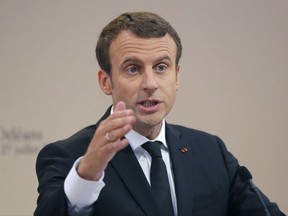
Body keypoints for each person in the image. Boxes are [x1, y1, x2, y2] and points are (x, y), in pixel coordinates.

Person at [34, 12, 285, 216]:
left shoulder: (211, 151)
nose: (150, 83)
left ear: (177, 77)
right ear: (106, 81)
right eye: (133, 69)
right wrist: (86, 175)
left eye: (161, 67)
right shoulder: (69, 158)